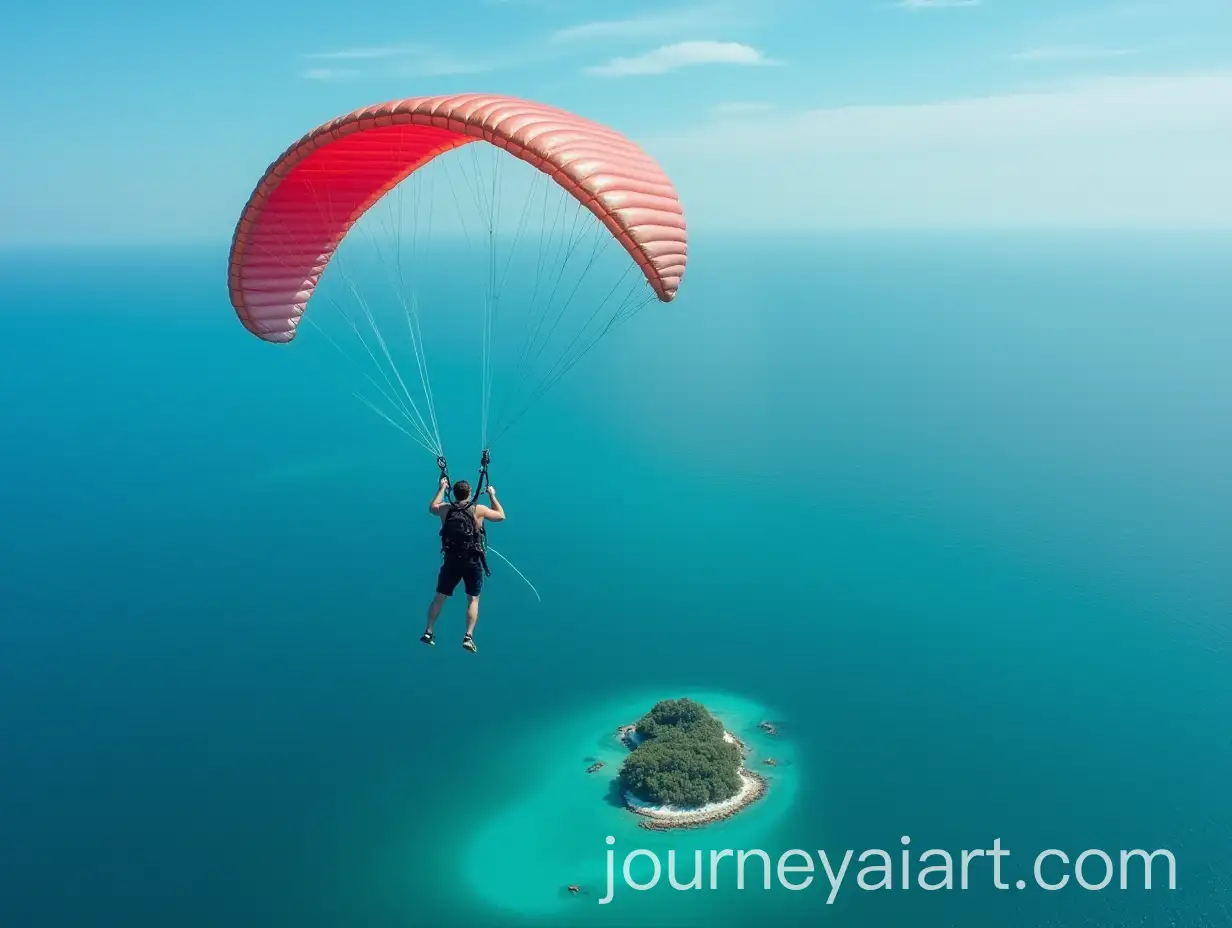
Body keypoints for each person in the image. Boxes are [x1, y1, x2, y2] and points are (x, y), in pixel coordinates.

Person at [420, 477, 504, 652]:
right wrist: (492, 495)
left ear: (454, 493)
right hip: (471, 561)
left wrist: (442, 488)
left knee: (439, 597)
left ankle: (428, 631)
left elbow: (432, 507)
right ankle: (468, 636)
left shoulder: (445, 509)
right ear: (470, 493)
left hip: (451, 561)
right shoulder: (478, 509)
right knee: (473, 599)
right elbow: (501, 516)